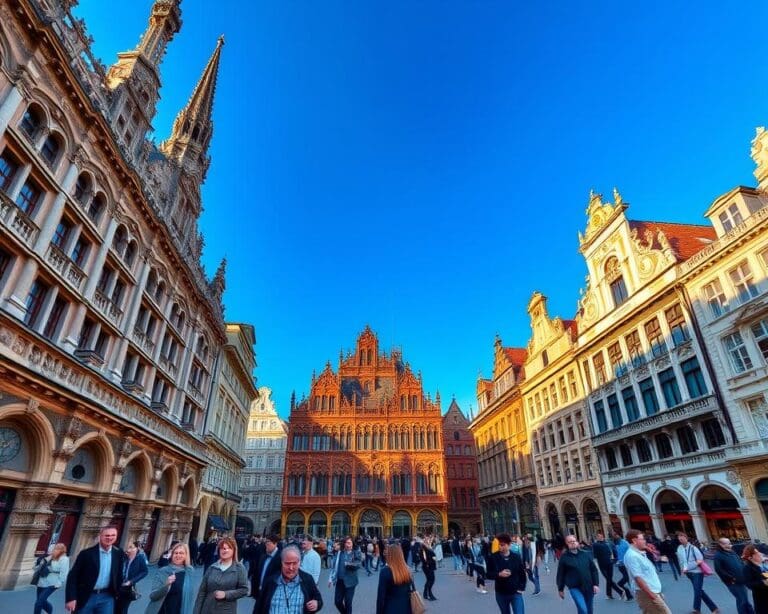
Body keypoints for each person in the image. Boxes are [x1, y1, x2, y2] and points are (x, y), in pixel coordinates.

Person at [65, 526, 124, 614]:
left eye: (113, 535)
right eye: (107, 535)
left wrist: (117, 593)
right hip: (87, 596)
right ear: (100, 536)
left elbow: (119, 574)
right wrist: (71, 598)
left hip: (107, 597)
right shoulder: (86, 554)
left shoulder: (118, 553)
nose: (110, 538)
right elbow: (73, 576)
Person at [255, 545, 322, 614]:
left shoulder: (307, 579)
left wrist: (317, 603)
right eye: (287, 563)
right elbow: (258, 607)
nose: (291, 568)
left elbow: (318, 599)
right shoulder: (270, 581)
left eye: (294, 563)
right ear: (282, 562)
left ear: (299, 562)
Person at [193, 537, 249, 614]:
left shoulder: (239, 569)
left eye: (228, 548)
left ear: (234, 550)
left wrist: (226, 594)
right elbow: (202, 592)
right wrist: (196, 611)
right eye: (222, 548)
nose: (225, 550)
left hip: (226, 610)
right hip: (207, 609)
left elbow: (244, 590)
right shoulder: (212, 567)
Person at [622, 530, 671, 614]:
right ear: (634, 540)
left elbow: (660, 560)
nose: (645, 541)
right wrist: (652, 595)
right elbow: (638, 578)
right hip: (647, 594)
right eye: (642, 539)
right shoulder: (632, 556)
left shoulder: (640, 553)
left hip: (653, 591)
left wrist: (651, 551)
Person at [145, 543, 195, 614]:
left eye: (181, 553)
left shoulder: (189, 571)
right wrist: (166, 585)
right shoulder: (163, 571)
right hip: (162, 610)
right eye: (176, 553)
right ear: (172, 555)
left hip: (180, 610)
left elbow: (190, 596)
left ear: (186, 555)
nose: (178, 555)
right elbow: (153, 596)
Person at [676, 531, 719, 614]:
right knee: (700, 591)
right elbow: (681, 560)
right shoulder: (679, 548)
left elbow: (700, 560)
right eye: (679, 539)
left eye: (682, 538)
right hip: (689, 573)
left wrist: (688, 567)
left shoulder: (693, 548)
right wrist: (682, 569)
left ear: (686, 538)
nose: (681, 540)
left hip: (697, 572)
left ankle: (696, 609)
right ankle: (714, 609)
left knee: (697, 590)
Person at [556, 534, 599, 614]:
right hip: (575, 588)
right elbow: (560, 574)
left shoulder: (585, 554)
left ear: (577, 542)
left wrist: (596, 584)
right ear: (566, 544)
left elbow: (594, 570)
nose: (572, 543)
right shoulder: (564, 557)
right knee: (583, 609)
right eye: (569, 542)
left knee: (589, 610)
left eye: (574, 541)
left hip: (589, 586)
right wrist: (560, 589)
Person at [486, 533, 526, 614]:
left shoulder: (516, 557)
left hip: (515, 592)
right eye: (499, 545)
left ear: (509, 545)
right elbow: (488, 574)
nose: (500, 547)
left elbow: (522, 574)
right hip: (501, 593)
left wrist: (522, 587)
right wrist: (498, 574)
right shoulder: (493, 557)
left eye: (503, 545)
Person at [713, 537, 754, 614]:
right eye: (726, 544)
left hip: (741, 580)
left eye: (729, 543)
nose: (729, 545)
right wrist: (731, 578)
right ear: (720, 544)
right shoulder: (718, 556)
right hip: (733, 582)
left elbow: (740, 562)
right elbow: (719, 570)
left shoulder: (731, 552)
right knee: (742, 600)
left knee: (744, 600)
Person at [376, 544, 413, 614]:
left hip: (390, 608)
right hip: (406, 607)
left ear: (389, 556)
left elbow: (381, 597)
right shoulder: (408, 570)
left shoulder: (385, 571)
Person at [35, 543, 70, 614]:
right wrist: (42, 561)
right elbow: (36, 568)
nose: (53, 550)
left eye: (56, 549)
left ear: (61, 551)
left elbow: (64, 573)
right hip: (42, 582)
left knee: (38, 603)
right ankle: (49, 611)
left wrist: (59, 583)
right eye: (54, 548)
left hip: (53, 584)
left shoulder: (64, 559)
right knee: (42, 601)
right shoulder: (47, 557)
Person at [329, 537, 361, 614]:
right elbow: (334, 566)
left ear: (353, 544)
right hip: (340, 581)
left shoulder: (355, 552)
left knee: (348, 602)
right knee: (337, 601)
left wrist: (351, 564)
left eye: (350, 543)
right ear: (344, 544)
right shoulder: (340, 553)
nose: (348, 545)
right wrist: (330, 578)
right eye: (346, 543)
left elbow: (358, 563)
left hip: (350, 582)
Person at [249, 534, 281, 610]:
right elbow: (257, 574)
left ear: (275, 543)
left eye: (268, 542)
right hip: (260, 593)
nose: (266, 544)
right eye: (265, 542)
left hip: (272, 594)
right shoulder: (263, 557)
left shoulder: (280, 558)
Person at [116, 541, 148, 614]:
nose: (128, 549)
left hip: (128, 587)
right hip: (117, 586)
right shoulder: (123, 556)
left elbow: (145, 571)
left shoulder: (140, 558)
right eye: (127, 547)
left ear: (136, 549)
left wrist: (132, 581)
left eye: (131, 547)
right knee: (114, 607)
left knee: (123, 609)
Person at [591, 532, 624, 600]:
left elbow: (595, 555)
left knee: (609, 579)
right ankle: (614, 593)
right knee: (608, 579)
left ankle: (615, 593)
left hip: (607, 563)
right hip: (605, 564)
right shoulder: (604, 544)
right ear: (597, 537)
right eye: (598, 536)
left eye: (601, 536)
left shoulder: (597, 544)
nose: (600, 537)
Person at [742, 544, 768, 614]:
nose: (760, 554)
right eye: (756, 553)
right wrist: (763, 583)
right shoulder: (747, 568)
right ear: (750, 558)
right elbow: (749, 584)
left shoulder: (764, 564)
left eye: (758, 552)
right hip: (762, 598)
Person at [614, 532, 633, 602]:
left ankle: (630, 594)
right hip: (620, 565)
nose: (616, 537)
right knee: (627, 579)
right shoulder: (616, 544)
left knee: (627, 578)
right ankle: (630, 595)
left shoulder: (625, 543)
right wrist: (617, 561)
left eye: (616, 535)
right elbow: (618, 554)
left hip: (626, 564)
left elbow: (630, 552)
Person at [420, 535, 437, 601]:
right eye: (427, 540)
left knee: (430, 580)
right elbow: (424, 560)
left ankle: (425, 593)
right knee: (431, 580)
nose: (429, 541)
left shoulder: (428, 547)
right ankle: (429, 593)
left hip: (430, 566)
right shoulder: (423, 549)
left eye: (429, 540)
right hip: (427, 567)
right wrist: (433, 559)